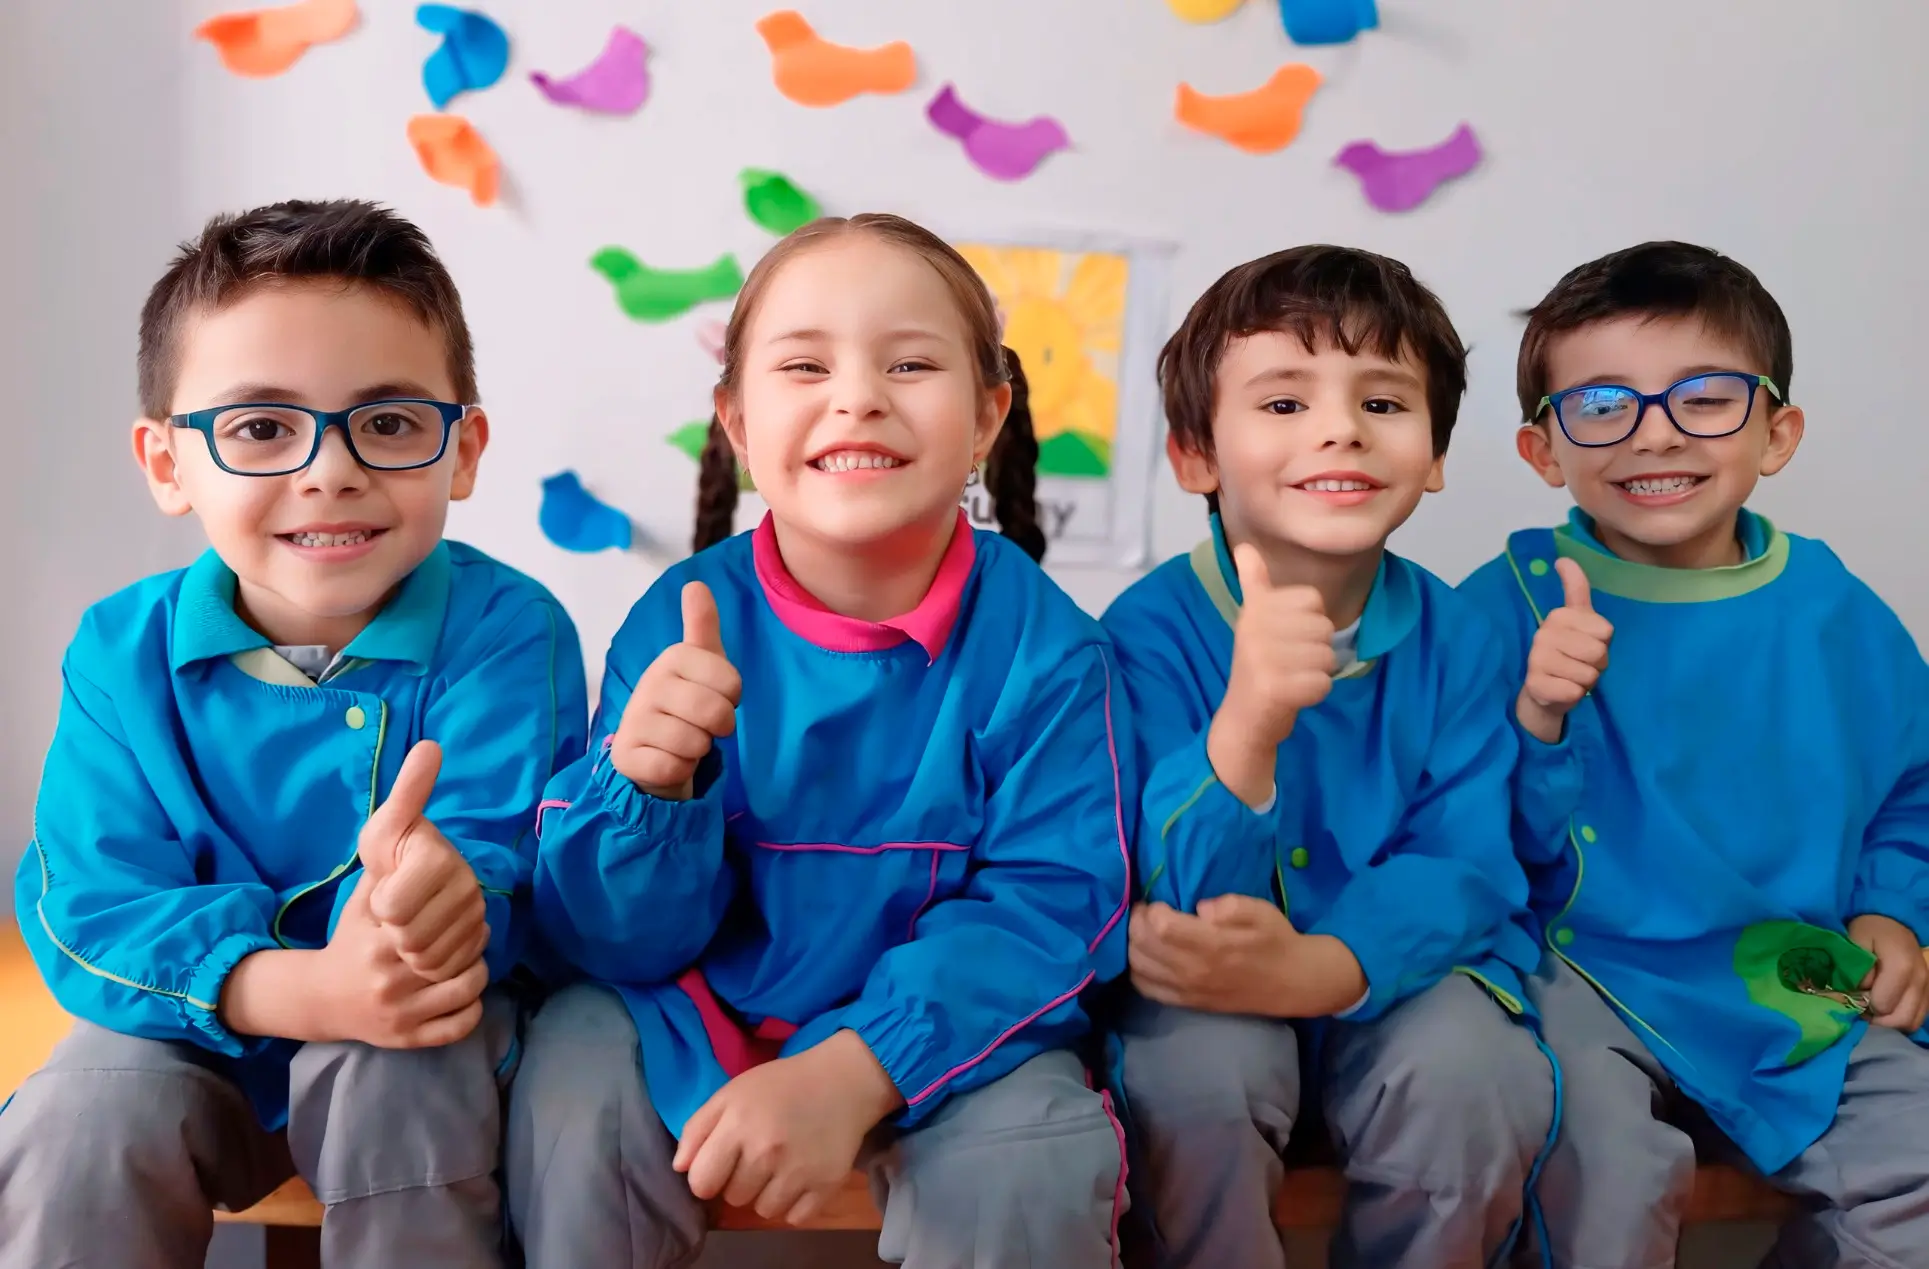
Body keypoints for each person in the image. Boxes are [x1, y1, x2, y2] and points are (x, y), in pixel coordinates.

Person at [505, 213, 1133, 1269]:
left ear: (989, 416)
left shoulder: (1052, 652)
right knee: (571, 1068)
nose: (859, 396)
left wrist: (857, 1069)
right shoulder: (676, 620)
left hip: (950, 1044)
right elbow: (613, 944)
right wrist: (647, 793)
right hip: (695, 1019)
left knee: (1036, 1154)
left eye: (910, 363)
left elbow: (1051, 911)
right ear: (738, 423)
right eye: (805, 365)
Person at [0, 199, 589, 1269]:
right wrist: (291, 988)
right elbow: (88, 903)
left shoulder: (513, 633)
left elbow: (511, 868)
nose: (330, 470)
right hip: (195, 1031)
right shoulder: (116, 652)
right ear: (168, 463)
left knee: (401, 1067)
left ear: (463, 451)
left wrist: (440, 903)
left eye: (392, 421)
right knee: (79, 1111)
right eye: (262, 427)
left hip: (425, 1043)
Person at [1459, 240, 1929, 1267]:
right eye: (1601, 405)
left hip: (1786, 976)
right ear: (1544, 450)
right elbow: (1452, 835)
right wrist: (1537, 717)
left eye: (1705, 397)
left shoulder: (1838, 617)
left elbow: (1913, 792)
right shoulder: (1501, 615)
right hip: (1580, 973)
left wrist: (1891, 912)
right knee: (1608, 1177)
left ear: (1778, 431)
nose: (1653, 434)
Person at [1105, 245, 1556, 1269]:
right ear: (1194, 456)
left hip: (1398, 979)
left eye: (1385, 404)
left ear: (1435, 456)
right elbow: (1158, 890)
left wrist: (1328, 965)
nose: (1341, 428)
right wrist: (1247, 726)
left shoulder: (1462, 641)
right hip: (1206, 990)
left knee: (1476, 1076)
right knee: (1193, 1077)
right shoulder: (1144, 635)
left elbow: (1469, 863)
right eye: (1282, 404)